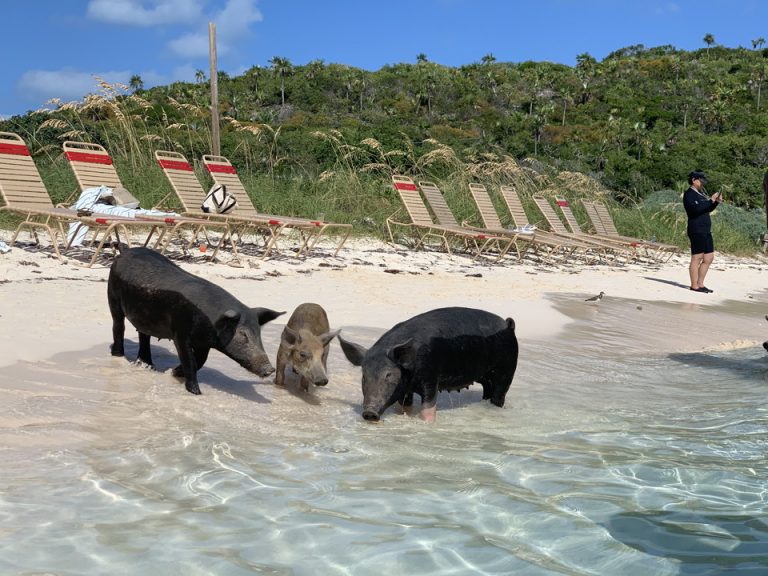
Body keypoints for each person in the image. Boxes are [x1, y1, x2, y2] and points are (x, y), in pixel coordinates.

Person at [683, 170, 722, 293]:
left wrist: (715, 202)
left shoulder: (700, 194)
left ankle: (701, 283)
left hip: (706, 230)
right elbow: (695, 210)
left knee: (708, 258)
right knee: (697, 257)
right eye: (701, 180)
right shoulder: (689, 194)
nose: (702, 183)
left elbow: (706, 209)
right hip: (696, 229)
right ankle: (694, 285)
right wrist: (710, 200)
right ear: (694, 180)